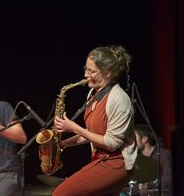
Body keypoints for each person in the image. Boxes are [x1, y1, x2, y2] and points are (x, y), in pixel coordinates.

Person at [52, 45, 138, 196]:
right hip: (101, 160)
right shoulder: (93, 94)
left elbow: (112, 144)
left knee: (61, 193)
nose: (85, 75)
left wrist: (73, 127)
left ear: (108, 73)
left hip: (117, 164)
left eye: (91, 71)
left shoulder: (119, 99)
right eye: (86, 69)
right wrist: (65, 143)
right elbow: (91, 133)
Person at [122, 124, 173, 196]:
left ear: (144, 139)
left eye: (134, 137)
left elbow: (170, 179)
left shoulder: (162, 155)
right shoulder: (138, 160)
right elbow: (132, 187)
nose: (131, 141)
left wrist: (149, 185)